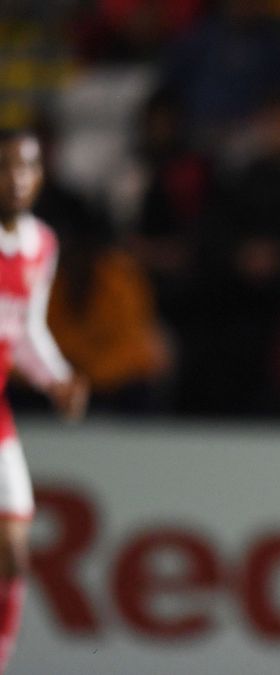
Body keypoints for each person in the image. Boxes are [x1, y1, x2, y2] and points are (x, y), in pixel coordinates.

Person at [0, 129, 88, 672]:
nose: (15, 177)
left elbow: (25, 329)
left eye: (26, 167)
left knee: (14, 550)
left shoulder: (41, 244)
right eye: (6, 166)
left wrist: (57, 378)